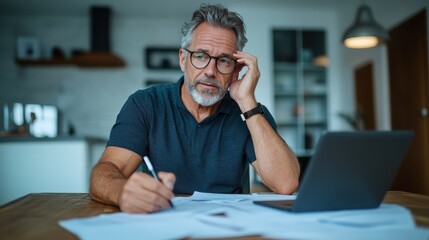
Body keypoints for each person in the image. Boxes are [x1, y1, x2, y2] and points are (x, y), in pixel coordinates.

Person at [89, 3, 300, 214]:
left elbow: (286, 184)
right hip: (159, 219)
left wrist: (246, 101)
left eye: (224, 61)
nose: (210, 71)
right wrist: (123, 191)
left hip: (228, 226)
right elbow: (104, 173)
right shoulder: (145, 104)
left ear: (236, 68)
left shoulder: (250, 112)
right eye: (200, 56)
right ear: (183, 59)